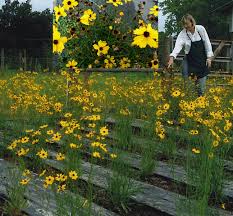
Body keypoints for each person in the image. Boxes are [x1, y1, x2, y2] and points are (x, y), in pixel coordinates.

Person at [167, 14, 214, 97]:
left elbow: (207, 43)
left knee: (201, 89)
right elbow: (177, 46)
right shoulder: (182, 34)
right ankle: (188, 102)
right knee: (187, 84)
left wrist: (209, 58)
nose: (185, 26)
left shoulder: (200, 29)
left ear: (192, 22)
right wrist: (172, 57)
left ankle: (200, 104)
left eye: (187, 23)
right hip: (189, 61)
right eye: (184, 24)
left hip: (201, 61)